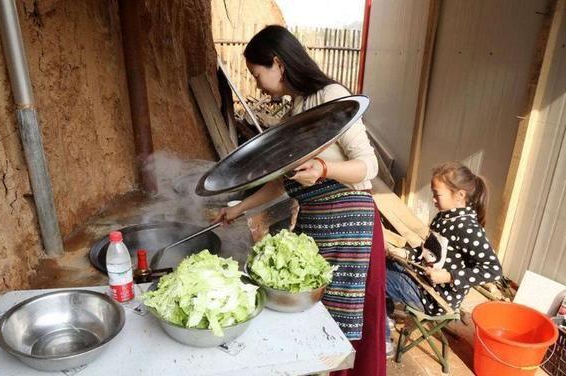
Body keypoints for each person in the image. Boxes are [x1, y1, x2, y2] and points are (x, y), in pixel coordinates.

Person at [214, 25, 386, 375]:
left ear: (277, 63)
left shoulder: (330, 96)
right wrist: (238, 209)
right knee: (315, 322)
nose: (258, 83)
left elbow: (369, 165)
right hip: (314, 229)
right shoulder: (296, 110)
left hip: (350, 227)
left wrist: (324, 169)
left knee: (345, 328)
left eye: (257, 73)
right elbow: (284, 182)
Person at [386, 162, 503, 324]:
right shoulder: (443, 218)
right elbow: (428, 252)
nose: (433, 199)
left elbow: (494, 270)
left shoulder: (467, 228)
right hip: (420, 280)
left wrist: (449, 276)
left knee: (375, 278)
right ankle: (385, 317)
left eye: (437, 194)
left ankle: (382, 338)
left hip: (434, 298)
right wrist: (405, 253)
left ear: (460, 195)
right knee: (379, 264)